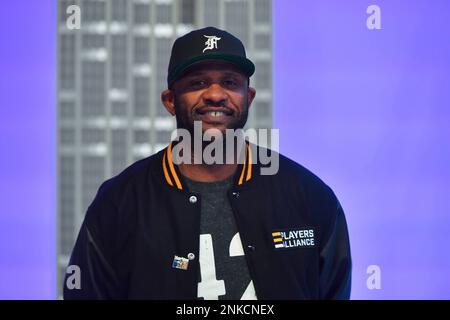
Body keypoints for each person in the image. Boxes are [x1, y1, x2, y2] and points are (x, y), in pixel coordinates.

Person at [64, 26, 351, 300]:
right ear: (170, 101)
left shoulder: (308, 196)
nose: (215, 95)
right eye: (197, 83)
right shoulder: (120, 201)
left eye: (230, 82)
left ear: (248, 97)